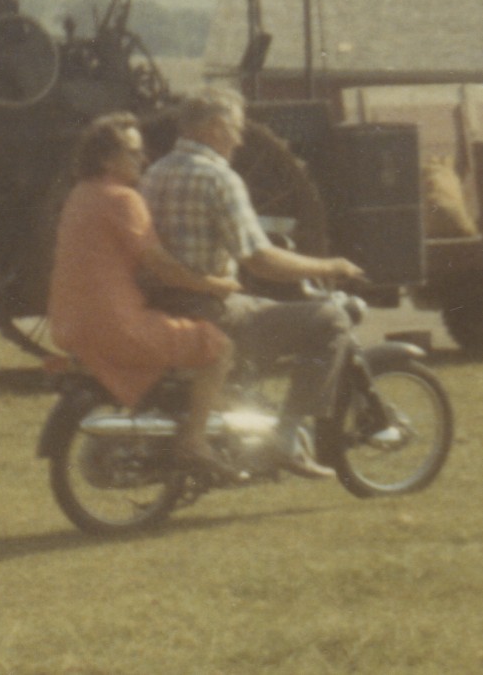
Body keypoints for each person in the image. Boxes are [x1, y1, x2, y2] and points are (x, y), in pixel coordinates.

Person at [141, 87, 366, 478]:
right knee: (328, 319)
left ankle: (242, 414)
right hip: (211, 311)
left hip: (162, 306)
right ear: (214, 127)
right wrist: (329, 265)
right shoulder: (218, 178)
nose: (240, 139)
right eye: (235, 128)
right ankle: (286, 438)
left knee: (260, 312)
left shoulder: (154, 173)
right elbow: (260, 261)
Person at [48, 111, 241, 480]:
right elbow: (161, 266)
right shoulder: (123, 198)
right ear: (107, 159)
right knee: (218, 347)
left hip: (71, 326)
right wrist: (216, 285)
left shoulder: (81, 194)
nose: (144, 160)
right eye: (134, 153)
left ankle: (177, 420)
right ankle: (194, 442)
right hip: (118, 328)